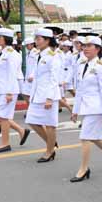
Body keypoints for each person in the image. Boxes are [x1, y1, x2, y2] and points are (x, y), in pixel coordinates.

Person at [69, 36, 102, 182]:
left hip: (97, 108)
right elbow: (80, 89)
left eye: (89, 46)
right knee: (95, 137)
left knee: (85, 137)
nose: (85, 48)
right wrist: (75, 110)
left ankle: (83, 169)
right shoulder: (81, 64)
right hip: (86, 107)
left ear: (98, 49)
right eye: (84, 45)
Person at [0, 27, 31, 153]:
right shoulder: (2, 52)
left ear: (5, 39)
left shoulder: (12, 54)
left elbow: (12, 74)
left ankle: (5, 143)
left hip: (8, 89)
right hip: (1, 89)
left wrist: (9, 92)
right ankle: (21, 130)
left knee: (3, 116)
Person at [25, 28, 61, 162]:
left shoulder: (53, 56)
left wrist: (50, 98)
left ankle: (49, 151)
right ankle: (51, 142)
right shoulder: (39, 54)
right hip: (37, 94)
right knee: (31, 121)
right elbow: (38, 72)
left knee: (50, 125)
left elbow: (54, 78)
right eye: (36, 39)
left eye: (39, 39)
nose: (36, 41)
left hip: (48, 96)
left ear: (47, 40)